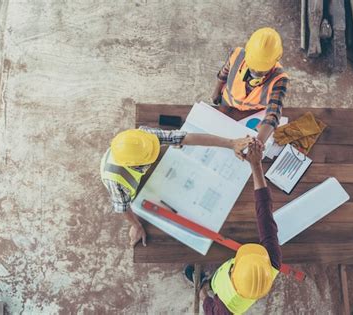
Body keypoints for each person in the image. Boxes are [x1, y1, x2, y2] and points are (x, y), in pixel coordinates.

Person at [100, 126, 253, 247]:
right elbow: (123, 207)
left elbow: (185, 137)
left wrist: (231, 143)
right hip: (134, 188)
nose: (156, 148)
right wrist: (136, 225)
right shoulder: (116, 180)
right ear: (137, 165)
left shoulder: (143, 138)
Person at [185, 139, 281, 315]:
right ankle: (208, 281)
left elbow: (209, 309)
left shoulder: (225, 307)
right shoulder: (272, 262)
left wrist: (202, 291)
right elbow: (264, 211)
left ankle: (205, 281)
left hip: (216, 285)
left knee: (211, 283)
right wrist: (256, 166)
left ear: (234, 270)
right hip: (225, 280)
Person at [211, 27, 289, 144]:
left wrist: (257, 145)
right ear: (247, 52)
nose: (256, 73)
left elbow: (273, 114)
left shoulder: (280, 79)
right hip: (227, 103)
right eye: (253, 66)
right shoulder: (236, 54)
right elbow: (224, 73)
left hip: (252, 113)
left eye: (262, 70)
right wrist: (216, 91)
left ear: (275, 60)